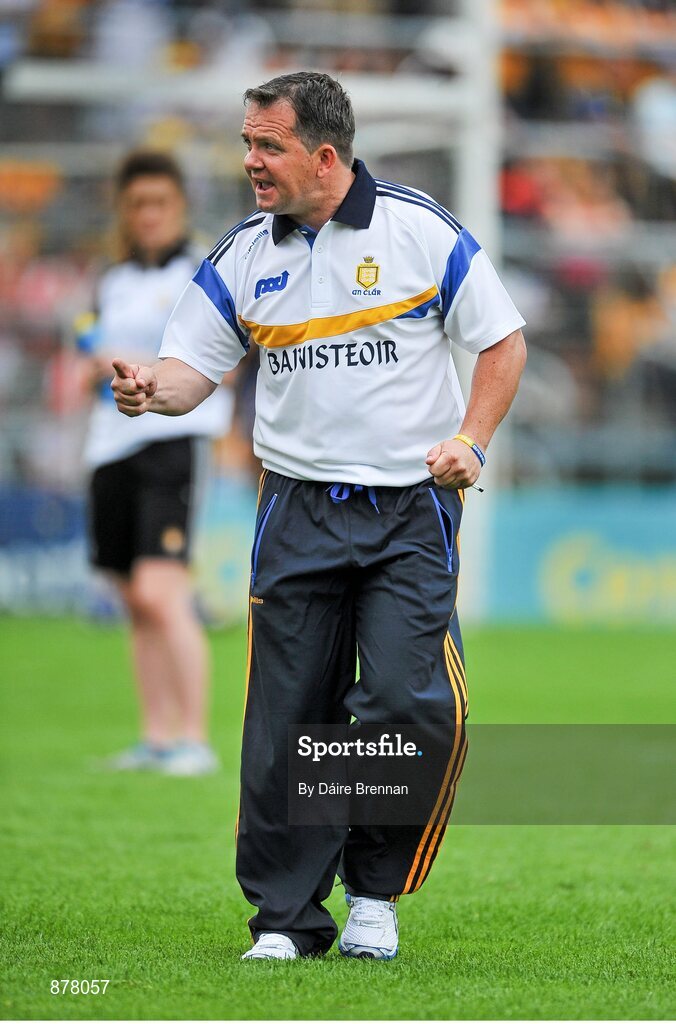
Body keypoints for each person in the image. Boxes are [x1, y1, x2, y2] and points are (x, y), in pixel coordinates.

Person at [111, 73, 527, 958]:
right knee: (287, 723)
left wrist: (473, 440)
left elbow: (501, 340)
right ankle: (288, 920)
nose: (250, 162)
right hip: (294, 509)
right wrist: (155, 391)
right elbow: (192, 366)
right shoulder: (241, 252)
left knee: (403, 704)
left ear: (324, 156)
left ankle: (374, 892)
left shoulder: (421, 231)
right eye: (247, 144)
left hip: (409, 510)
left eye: (267, 146)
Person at [82, 150, 230, 776]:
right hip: (108, 444)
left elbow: (208, 357)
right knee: (133, 598)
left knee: (161, 591)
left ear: (180, 207)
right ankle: (156, 735)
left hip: (175, 441)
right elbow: (93, 358)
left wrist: (123, 356)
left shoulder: (203, 273)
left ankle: (194, 738)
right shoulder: (110, 278)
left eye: (160, 203)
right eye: (138, 204)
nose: (148, 215)